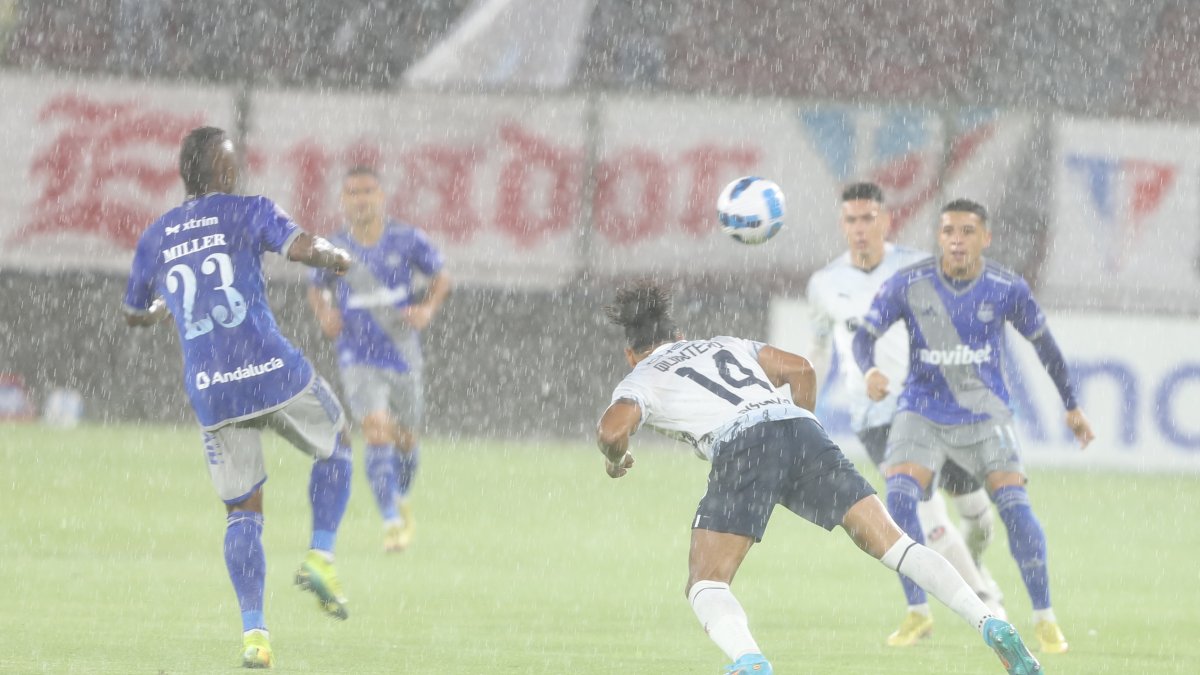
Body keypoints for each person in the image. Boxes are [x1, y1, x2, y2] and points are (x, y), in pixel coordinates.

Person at [596, 280, 1041, 675]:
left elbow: (611, 431)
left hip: (742, 446)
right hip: (801, 430)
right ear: (679, 336)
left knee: (706, 582)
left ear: (629, 353)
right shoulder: (723, 344)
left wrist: (618, 458)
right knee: (899, 545)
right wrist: (798, 439)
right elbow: (801, 370)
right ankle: (990, 621)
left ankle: (749, 662)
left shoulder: (642, 376)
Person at [123, 126, 356, 669]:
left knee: (242, 512)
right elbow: (302, 247)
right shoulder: (246, 209)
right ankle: (321, 555)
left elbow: (134, 313)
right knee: (337, 439)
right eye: (232, 163)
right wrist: (335, 256)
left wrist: (163, 310)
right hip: (268, 369)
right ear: (223, 171)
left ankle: (255, 636)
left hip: (211, 390)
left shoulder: (157, 236)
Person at [853, 198, 1096, 656]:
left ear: (986, 237)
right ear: (939, 236)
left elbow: (1045, 346)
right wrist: (869, 372)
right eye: (948, 232)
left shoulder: (1007, 288)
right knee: (899, 497)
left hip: (986, 415)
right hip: (921, 409)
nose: (956, 240)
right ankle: (917, 611)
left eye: (967, 232)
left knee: (1014, 507)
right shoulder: (910, 283)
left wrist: (1071, 405)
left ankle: (1045, 618)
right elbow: (864, 335)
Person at [806, 182, 1006, 645]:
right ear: (843, 225)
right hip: (877, 419)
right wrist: (802, 400)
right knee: (929, 520)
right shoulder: (825, 284)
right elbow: (817, 348)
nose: (859, 229)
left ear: (886, 220)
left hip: (937, 406)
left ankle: (978, 568)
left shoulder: (917, 268)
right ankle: (989, 608)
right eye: (851, 220)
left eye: (868, 218)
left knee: (975, 512)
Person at [307, 166, 451, 553]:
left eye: (368, 190)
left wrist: (427, 310)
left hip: (402, 353)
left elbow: (441, 276)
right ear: (342, 200)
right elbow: (316, 289)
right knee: (375, 429)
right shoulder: (334, 247)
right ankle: (389, 520)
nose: (361, 198)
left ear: (382, 196)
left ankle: (399, 498)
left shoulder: (406, 239)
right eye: (353, 192)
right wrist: (325, 314)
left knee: (405, 440)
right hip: (357, 355)